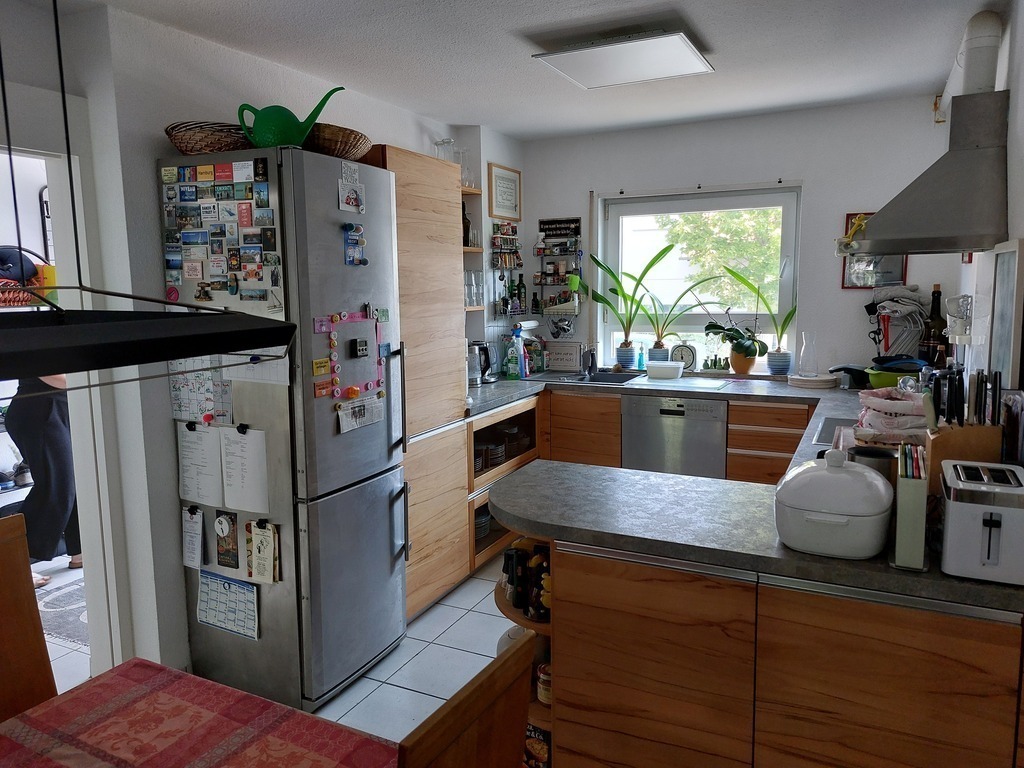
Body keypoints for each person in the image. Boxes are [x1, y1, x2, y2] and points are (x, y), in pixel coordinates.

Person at [4, 375, 81, 588]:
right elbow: (53, 375)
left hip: (59, 406)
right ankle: (12, 563)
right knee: (56, 489)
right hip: (39, 408)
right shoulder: (37, 340)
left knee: (78, 482)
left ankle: (81, 552)